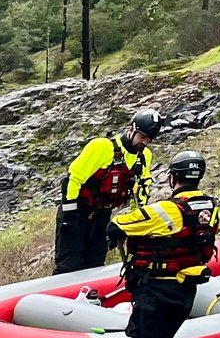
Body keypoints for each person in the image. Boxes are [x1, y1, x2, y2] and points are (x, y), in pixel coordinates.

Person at [108, 149, 217, 338]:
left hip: (158, 290)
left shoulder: (168, 210)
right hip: (184, 290)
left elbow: (123, 222)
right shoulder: (210, 206)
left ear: (173, 178)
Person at [56, 108, 161, 274]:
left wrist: (135, 222)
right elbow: (72, 179)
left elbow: (141, 188)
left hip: (102, 216)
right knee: (68, 264)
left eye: (149, 139)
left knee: (95, 263)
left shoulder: (144, 156)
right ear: (131, 129)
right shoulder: (102, 147)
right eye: (142, 137)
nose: (145, 142)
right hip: (77, 212)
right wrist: (69, 217)